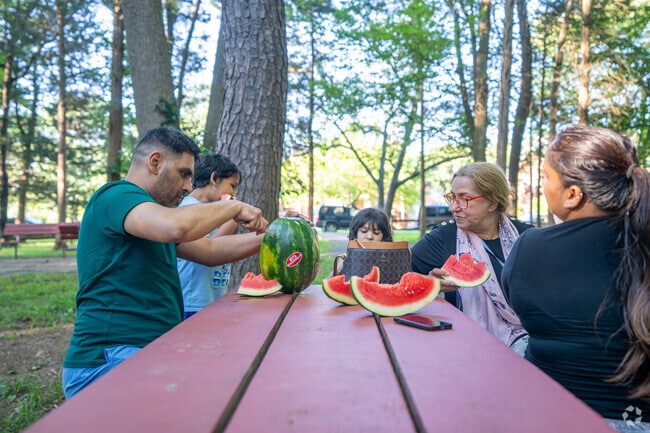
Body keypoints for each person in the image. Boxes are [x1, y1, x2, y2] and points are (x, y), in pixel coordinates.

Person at [62, 127, 269, 399]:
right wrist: (233, 207)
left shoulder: (150, 219)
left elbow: (209, 249)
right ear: (155, 162)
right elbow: (175, 227)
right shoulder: (116, 195)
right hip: (106, 359)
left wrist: (272, 237)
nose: (187, 186)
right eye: (183, 174)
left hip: (147, 352)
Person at [501, 125, 650, 431]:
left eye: (545, 177)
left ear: (572, 194)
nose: (543, 186)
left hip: (551, 415)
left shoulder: (530, 248)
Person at [410, 162, 532, 354]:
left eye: (464, 199)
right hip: (464, 348)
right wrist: (429, 284)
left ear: (492, 202)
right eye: (452, 198)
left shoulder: (526, 237)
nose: (453, 207)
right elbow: (398, 275)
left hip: (530, 344)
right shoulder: (444, 237)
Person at [176, 154, 264, 319]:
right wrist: (231, 220)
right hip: (191, 302)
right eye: (232, 186)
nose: (234, 193)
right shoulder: (188, 208)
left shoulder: (210, 212)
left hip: (210, 301)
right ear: (214, 178)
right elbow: (210, 247)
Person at [333, 207, 393, 275]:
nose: (369, 236)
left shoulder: (392, 259)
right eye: (364, 231)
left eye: (376, 232)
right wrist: (338, 269)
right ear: (355, 234)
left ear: (384, 237)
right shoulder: (345, 259)